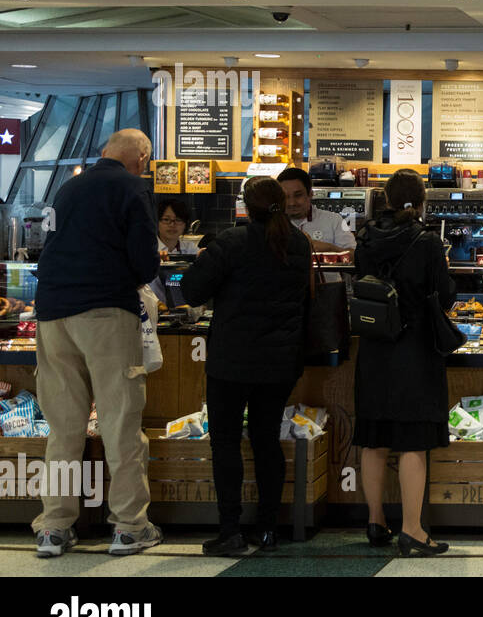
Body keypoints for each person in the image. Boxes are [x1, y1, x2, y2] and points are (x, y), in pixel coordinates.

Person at [31, 128, 162, 557]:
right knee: (119, 421)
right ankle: (129, 526)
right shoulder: (133, 187)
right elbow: (144, 260)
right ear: (141, 159)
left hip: (51, 311)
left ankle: (54, 527)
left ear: (104, 152)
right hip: (105, 312)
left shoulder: (70, 186)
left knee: (64, 427)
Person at [181, 177, 311, 556]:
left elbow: (191, 290)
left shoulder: (232, 242)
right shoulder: (299, 243)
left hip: (231, 361)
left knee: (225, 442)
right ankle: (268, 529)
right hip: (280, 361)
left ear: (245, 206)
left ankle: (230, 531)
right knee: (266, 439)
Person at [352, 168, 455, 557]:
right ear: (422, 200)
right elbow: (443, 295)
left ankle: (375, 521)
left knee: (374, 437)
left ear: (386, 200)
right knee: (413, 441)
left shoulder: (365, 237)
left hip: (375, 347)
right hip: (415, 348)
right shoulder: (427, 242)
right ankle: (412, 529)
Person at [277, 168, 356, 276]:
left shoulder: (335, 220)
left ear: (310, 194)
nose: (291, 203)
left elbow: (355, 257)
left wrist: (330, 249)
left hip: (328, 289)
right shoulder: (273, 225)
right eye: (285, 197)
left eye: (298, 195)